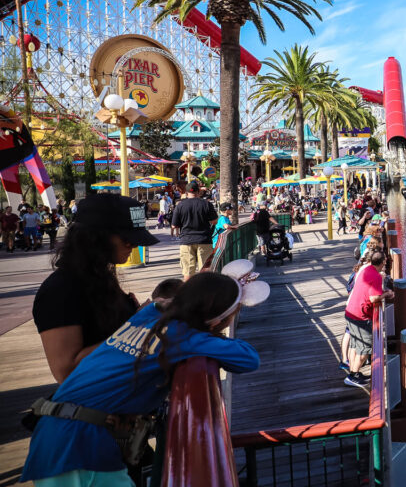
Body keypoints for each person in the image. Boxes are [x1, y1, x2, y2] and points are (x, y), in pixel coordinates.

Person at [21, 271, 263, 486]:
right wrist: (214, 337)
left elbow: (161, 304)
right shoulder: (185, 337)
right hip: (79, 448)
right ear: (219, 320)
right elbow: (249, 359)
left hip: (56, 434)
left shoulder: (147, 314)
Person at [33, 194, 160, 384]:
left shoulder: (98, 277)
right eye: (127, 239)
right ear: (95, 238)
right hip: (98, 407)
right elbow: (66, 371)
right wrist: (137, 324)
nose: (133, 245)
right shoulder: (60, 290)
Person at [342, 250, 392, 388]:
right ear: (383, 262)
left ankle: (354, 373)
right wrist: (387, 294)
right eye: (385, 261)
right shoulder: (375, 276)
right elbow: (373, 298)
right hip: (360, 317)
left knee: (355, 345)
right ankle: (352, 376)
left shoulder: (367, 269)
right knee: (365, 348)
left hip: (351, 312)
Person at [170, 181, 217, 279]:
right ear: (199, 192)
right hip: (204, 240)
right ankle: (204, 293)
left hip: (186, 241)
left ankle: (188, 293)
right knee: (205, 271)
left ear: (186, 193)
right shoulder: (206, 204)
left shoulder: (180, 206)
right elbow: (214, 221)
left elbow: (174, 225)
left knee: (188, 271)